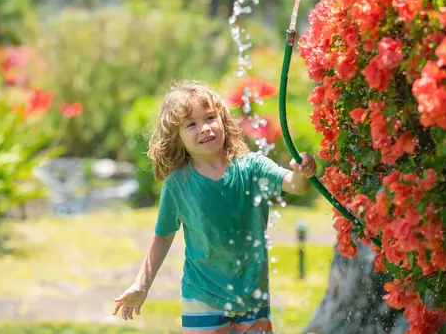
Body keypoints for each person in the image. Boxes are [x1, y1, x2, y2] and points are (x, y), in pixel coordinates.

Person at [113, 80, 317, 334]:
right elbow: (163, 235)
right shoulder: (179, 183)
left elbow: (295, 186)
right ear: (177, 138)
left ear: (223, 120)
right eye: (191, 124)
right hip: (203, 296)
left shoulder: (252, 167)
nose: (205, 127)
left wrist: (302, 173)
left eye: (210, 117)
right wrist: (141, 284)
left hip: (252, 294)